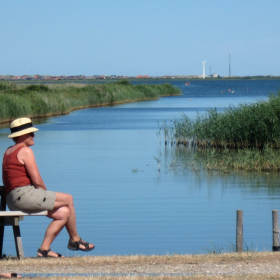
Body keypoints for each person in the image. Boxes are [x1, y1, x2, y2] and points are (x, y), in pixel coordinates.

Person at [2, 118, 94, 258]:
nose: (34, 136)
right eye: (30, 133)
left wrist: (42, 196)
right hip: (24, 195)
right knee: (69, 198)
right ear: (21, 136)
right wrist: (43, 194)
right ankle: (75, 240)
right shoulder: (25, 151)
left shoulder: (9, 151)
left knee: (64, 212)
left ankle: (44, 250)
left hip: (13, 199)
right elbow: (37, 181)